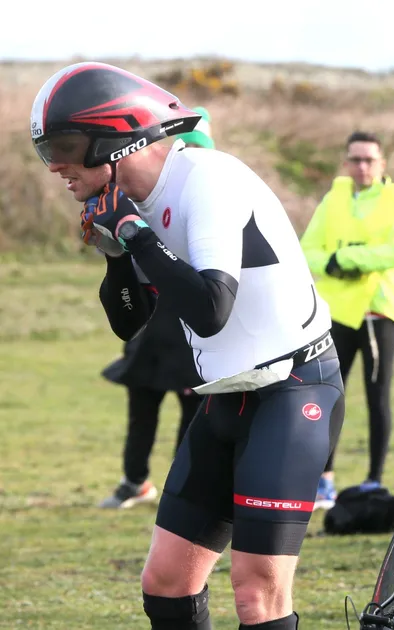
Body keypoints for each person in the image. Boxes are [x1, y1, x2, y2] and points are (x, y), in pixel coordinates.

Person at [31, 61, 343, 629]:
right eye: (46, 150)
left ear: (119, 140)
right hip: (228, 396)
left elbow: (210, 310)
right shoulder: (133, 202)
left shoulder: (206, 179)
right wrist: (119, 252)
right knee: (167, 582)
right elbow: (130, 322)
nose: (57, 166)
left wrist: (135, 236)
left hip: (294, 389)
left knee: (256, 593)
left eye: (68, 146)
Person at [97, 105, 216, 510]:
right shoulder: (147, 198)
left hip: (190, 329)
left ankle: (181, 488)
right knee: (142, 407)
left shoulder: (207, 201)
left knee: (193, 415)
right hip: (151, 329)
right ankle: (134, 481)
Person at [299, 131, 394, 510]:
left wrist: (345, 259)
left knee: (376, 397)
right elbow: (308, 250)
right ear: (346, 162)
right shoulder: (333, 198)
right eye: (355, 159)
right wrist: (331, 262)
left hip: (378, 311)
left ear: (382, 164)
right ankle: (324, 481)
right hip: (335, 312)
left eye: (369, 160)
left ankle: (374, 480)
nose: (362, 166)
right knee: (327, 395)